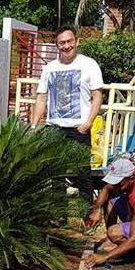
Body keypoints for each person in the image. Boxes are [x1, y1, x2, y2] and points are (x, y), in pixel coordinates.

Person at [31, 25, 104, 202]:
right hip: (54, 128)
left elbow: (97, 96)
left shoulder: (89, 64)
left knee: (83, 173)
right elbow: (41, 99)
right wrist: (34, 125)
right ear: (57, 45)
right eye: (62, 43)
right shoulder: (49, 68)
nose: (66, 46)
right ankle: (58, 215)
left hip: (78, 129)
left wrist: (88, 123)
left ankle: (85, 214)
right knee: (55, 174)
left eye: (69, 41)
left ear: (77, 41)